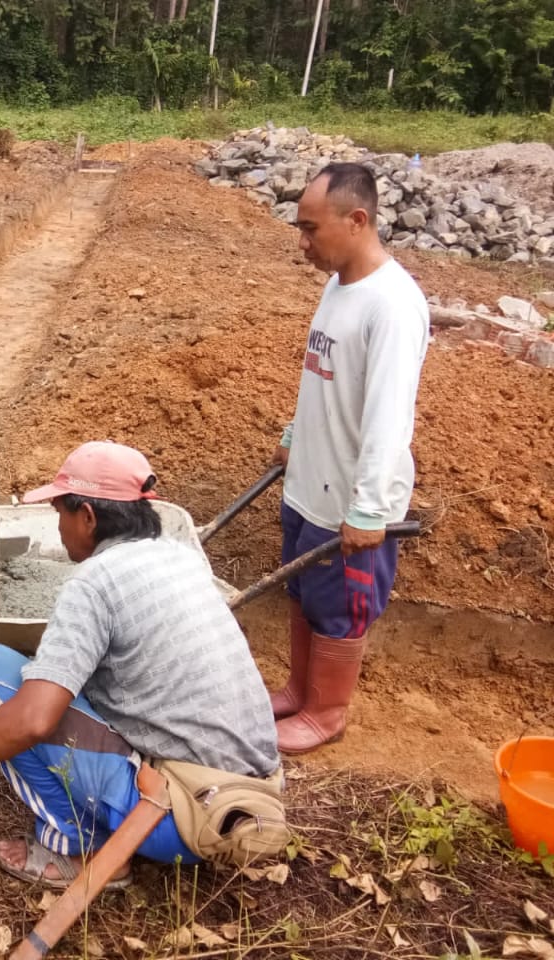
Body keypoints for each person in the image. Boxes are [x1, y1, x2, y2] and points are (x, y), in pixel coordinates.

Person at [0, 441, 280, 885]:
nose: (58, 527)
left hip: (184, 821)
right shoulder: (178, 556)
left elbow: (32, 722)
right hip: (252, 803)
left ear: (88, 517)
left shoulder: (95, 583)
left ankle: (78, 847)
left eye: (60, 512)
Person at [271, 163, 429, 754]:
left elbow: (390, 417)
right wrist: (293, 433)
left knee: (338, 607)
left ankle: (327, 713)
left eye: (311, 228)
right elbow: (323, 375)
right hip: (312, 482)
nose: (303, 242)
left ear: (357, 220)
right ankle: (299, 690)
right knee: (304, 593)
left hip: (354, 500)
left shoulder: (393, 305)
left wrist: (369, 510)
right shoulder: (339, 285)